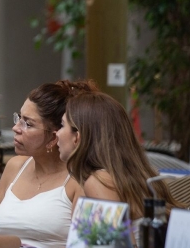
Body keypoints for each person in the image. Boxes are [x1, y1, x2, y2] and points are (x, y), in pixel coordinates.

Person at [0, 80, 97, 248]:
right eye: (18, 118)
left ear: (54, 137)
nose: (15, 128)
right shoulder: (15, 167)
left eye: (28, 124)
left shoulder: (81, 179)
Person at [56, 91, 182, 225]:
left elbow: (117, 244)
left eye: (62, 125)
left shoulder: (99, 181)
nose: (57, 133)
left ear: (78, 136)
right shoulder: (126, 176)